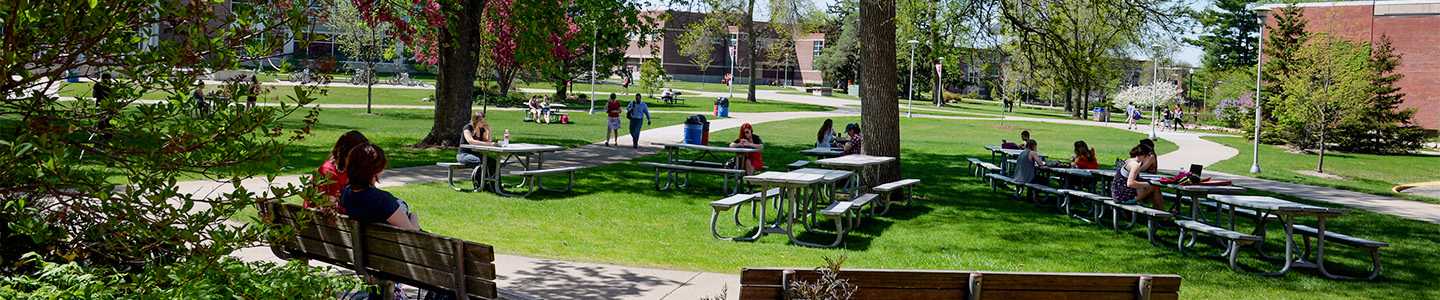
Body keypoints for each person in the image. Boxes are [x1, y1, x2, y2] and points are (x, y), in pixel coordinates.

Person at [342, 144, 420, 230]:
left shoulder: (347, 194)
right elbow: (412, 233)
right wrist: (413, 216)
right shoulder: (382, 200)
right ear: (376, 169)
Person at [314, 130, 369, 213]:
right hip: (325, 224)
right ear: (346, 153)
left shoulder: (351, 169)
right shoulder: (330, 173)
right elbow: (328, 211)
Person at [1112, 144, 1165, 210]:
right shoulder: (1135, 165)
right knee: (1155, 187)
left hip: (1117, 195)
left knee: (1152, 188)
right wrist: (1146, 184)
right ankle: (1163, 213)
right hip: (1124, 198)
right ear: (1143, 155)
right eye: (1148, 155)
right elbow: (1130, 183)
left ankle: (1159, 212)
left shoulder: (1128, 160)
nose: (1149, 158)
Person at [459, 112, 501, 189]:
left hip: (476, 155)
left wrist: (489, 131)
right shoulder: (468, 128)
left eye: (484, 121)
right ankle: (481, 184)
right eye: (481, 122)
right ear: (475, 121)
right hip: (464, 155)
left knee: (493, 162)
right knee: (484, 162)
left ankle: (497, 186)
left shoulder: (482, 130)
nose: (483, 124)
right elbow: (471, 141)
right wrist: (490, 144)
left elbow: (487, 142)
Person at [93, 73, 114, 141]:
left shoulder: (97, 84)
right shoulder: (111, 85)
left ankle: (101, 136)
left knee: (101, 121)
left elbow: (94, 95)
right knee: (109, 121)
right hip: (109, 104)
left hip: (100, 104)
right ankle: (109, 136)